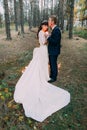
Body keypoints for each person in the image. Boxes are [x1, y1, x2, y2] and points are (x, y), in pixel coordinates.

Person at [14, 20, 70, 122]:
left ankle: (45, 76)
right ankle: (40, 76)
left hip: (45, 50)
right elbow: (42, 42)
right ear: (42, 26)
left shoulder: (46, 32)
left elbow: (49, 41)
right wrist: (46, 36)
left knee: (44, 64)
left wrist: (47, 36)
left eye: (46, 25)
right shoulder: (41, 33)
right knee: (39, 65)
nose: (45, 26)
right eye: (44, 25)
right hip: (43, 49)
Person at [47, 15, 61, 83]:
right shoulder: (54, 29)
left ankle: (53, 78)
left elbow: (55, 42)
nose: (48, 22)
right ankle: (51, 76)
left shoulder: (56, 30)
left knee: (53, 64)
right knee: (52, 64)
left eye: (49, 20)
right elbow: (54, 39)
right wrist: (50, 36)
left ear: (52, 22)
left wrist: (48, 37)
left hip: (54, 51)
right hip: (52, 50)